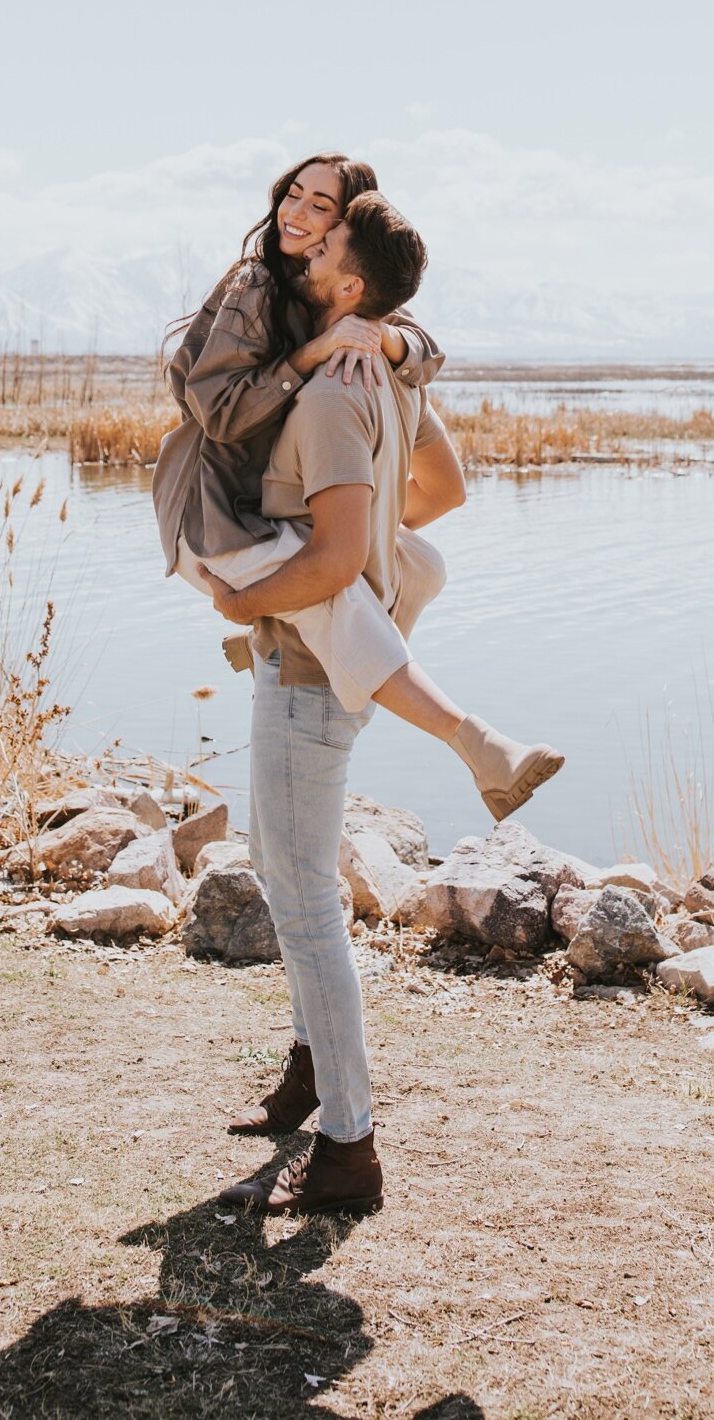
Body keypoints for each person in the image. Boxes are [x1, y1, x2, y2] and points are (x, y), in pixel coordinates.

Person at [211, 193, 553, 1217]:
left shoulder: (330, 397)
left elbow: (331, 561)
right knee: (281, 871)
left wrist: (240, 594)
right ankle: (313, 1074)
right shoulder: (382, 377)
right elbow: (438, 494)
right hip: (328, 667)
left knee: (309, 903)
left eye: (322, 250)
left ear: (350, 286)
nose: (303, 253)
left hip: (313, 676)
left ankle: (349, 1149)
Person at [154, 155, 562, 819]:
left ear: (348, 232)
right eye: (295, 193)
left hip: (267, 512)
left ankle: (283, 619)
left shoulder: (332, 298)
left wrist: (390, 345)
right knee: (341, 591)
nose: (298, 213)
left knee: (421, 564)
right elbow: (216, 411)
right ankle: (477, 744)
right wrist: (307, 359)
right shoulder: (259, 285)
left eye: (322, 206)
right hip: (214, 509)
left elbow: (412, 335)